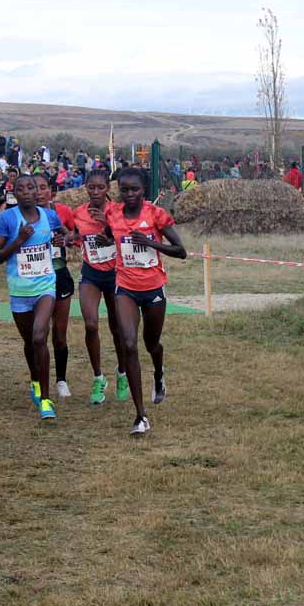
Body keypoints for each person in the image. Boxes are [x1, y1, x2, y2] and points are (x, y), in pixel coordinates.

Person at [100, 168, 186, 435]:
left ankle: (159, 374)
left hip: (153, 289)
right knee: (128, 344)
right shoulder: (112, 213)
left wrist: (151, 243)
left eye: (134, 189)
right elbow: (108, 232)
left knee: (151, 343)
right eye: (124, 189)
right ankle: (140, 416)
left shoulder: (156, 214)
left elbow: (181, 251)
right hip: (125, 287)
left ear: (143, 191)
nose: (129, 194)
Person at [0, 175, 66, 420]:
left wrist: (60, 239)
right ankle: (35, 380)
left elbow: (64, 234)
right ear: (14, 192)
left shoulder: (49, 216)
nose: (26, 192)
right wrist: (20, 240)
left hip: (46, 286)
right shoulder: (8, 218)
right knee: (29, 342)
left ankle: (46, 400)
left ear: (38, 192)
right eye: (20, 188)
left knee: (39, 337)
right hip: (19, 291)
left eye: (30, 188)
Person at [72, 169, 128, 405]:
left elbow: (128, 235)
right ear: (86, 188)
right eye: (91, 187)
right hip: (91, 274)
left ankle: (122, 373)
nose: (95, 192)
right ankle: (98, 378)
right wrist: (68, 237)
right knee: (91, 324)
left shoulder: (118, 211)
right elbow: (75, 234)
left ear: (108, 188)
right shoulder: (79, 213)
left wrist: (108, 227)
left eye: (100, 187)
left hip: (116, 275)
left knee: (118, 328)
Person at [35, 173, 75, 399]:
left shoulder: (62, 212)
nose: (38, 192)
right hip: (33, 279)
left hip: (59, 274)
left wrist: (67, 239)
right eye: (34, 187)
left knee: (59, 334)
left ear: (51, 191)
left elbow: (73, 233)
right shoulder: (21, 215)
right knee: (38, 334)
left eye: (43, 187)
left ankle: (61, 380)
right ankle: (37, 380)